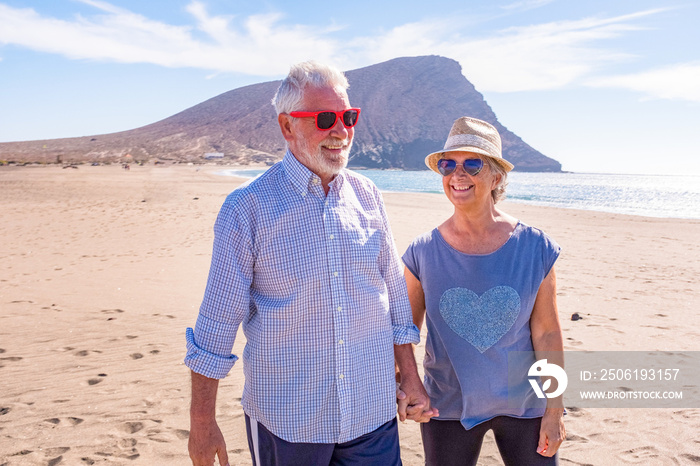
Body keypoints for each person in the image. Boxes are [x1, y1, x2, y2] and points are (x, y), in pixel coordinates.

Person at [184, 61, 436, 466]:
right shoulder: (246, 208)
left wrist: (410, 375)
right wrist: (202, 423)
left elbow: (392, 296)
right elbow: (216, 324)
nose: (341, 132)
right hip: (289, 425)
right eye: (324, 119)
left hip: (372, 418)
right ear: (287, 126)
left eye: (347, 117)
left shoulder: (369, 195)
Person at [400, 117, 566, 465]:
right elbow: (404, 332)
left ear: (496, 176)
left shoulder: (535, 247)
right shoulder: (422, 252)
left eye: (472, 164)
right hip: (446, 407)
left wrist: (554, 409)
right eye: (449, 164)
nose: (458, 175)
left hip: (526, 404)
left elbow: (547, 332)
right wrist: (408, 385)